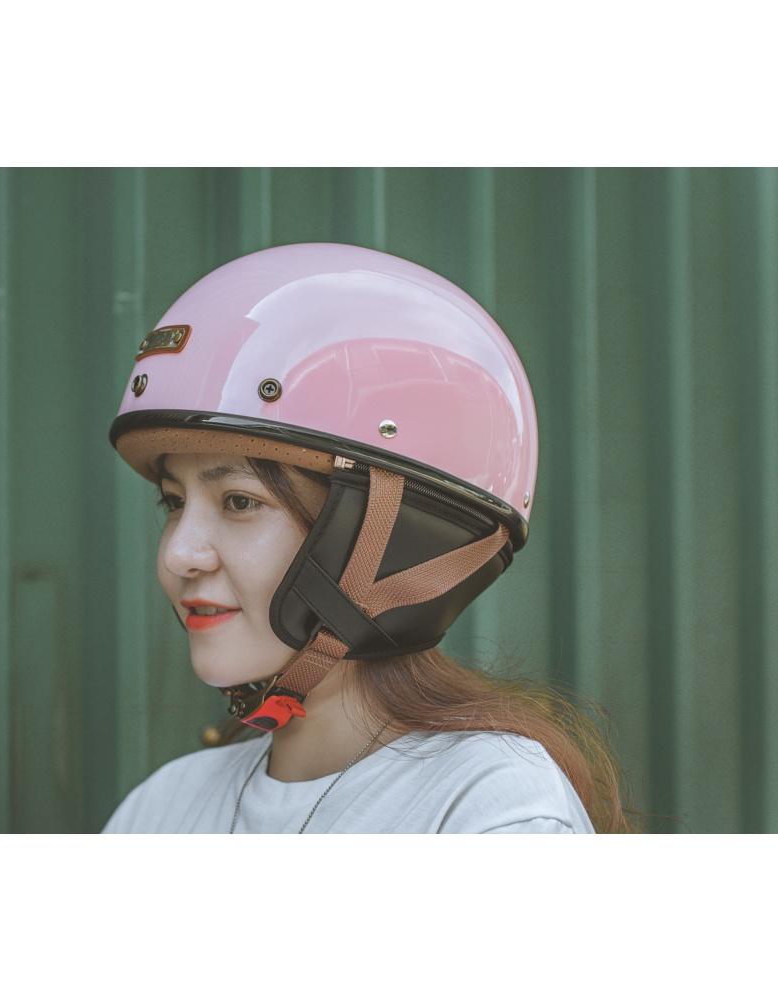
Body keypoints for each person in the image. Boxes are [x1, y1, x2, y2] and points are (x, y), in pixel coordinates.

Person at [102, 242, 635, 834]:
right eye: (175, 503)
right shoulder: (161, 806)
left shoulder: (490, 806)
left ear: (396, 533)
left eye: (240, 502)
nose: (179, 555)